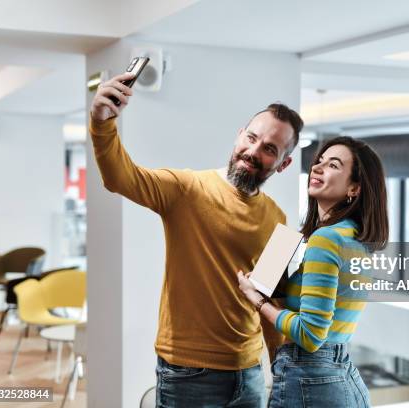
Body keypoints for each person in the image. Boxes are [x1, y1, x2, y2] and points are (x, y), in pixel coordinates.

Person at [89, 71, 304, 407]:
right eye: (251, 137)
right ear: (238, 136)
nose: (253, 151)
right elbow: (120, 177)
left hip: (249, 373)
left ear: (284, 163)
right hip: (188, 373)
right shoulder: (187, 189)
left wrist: (281, 372)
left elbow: (270, 304)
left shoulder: (279, 219)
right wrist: (102, 122)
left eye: (269, 148)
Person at [238, 136, 389, 407]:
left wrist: (256, 299)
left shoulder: (325, 239)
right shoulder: (354, 238)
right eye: (319, 162)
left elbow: (310, 334)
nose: (318, 168)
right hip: (342, 377)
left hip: (311, 378)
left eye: (333, 165)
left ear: (354, 188)